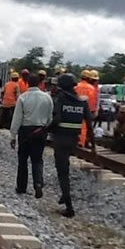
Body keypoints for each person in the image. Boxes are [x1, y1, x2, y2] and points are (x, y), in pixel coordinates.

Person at [48, 73, 95, 218]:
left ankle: (69, 207)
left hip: (61, 139)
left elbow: (57, 119)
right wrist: (93, 146)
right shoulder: (82, 102)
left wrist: (45, 129)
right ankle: (64, 194)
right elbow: (89, 123)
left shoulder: (60, 99)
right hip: (73, 140)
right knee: (65, 168)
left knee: (62, 172)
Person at [10, 74, 53, 198]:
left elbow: (17, 118)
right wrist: (45, 129)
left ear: (27, 83)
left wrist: (13, 136)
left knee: (23, 160)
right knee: (37, 160)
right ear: (40, 83)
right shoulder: (47, 98)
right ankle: (38, 184)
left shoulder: (23, 97)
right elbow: (50, 117)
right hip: (41, 131)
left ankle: (21, 187)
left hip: (25, 131)